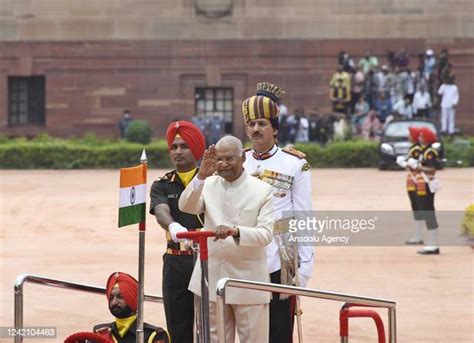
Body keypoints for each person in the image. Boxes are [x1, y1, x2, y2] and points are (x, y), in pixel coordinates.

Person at [178, 135, 274, 343]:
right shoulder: (209, 184)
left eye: (230, 159)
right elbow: (186, 206)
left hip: (249, 282)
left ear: (243, 158)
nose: (223, 165)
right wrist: (201, 176)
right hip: (211, 278)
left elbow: (265, 234)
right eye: (219, 159)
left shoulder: (262, 190)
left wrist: (235, 231)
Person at [241, 82, 314, 343]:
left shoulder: (295, 164)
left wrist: (305, 268)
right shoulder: (237, 162)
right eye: (251, 124)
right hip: (244, 259)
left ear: (275, 128)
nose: (256, 129)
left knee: (280, 333)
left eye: (262, 123)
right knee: (249, 332)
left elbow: (304, 217)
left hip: (280, 261)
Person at [149, 121, 206, 343]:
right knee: (177, 325)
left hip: (204, 260)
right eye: (174, 147)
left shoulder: (210, 180)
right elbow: (160, 209)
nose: (178, 152)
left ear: (196, 150)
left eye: (184, 146)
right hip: (175, 262)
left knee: (208, 325)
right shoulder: (162, 184)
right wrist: (172, 225)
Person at [93, 272, 170, 342]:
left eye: (120, 297)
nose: (114, 302)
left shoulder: (154, 335)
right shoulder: (101, 332)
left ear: (133, 299)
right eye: (111, 297)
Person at [412, 127, 442, 254]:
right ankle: (431, 243)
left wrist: (419, 167)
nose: (419, 137)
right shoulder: (423, 151)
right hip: (421, 184)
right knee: (425, 211)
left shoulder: (430, 152)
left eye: (421, 136)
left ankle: (433, 244)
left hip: (427, 185)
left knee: (429, 212)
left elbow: (433, 169)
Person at [396, 127, 424, 244]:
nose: (408, 136)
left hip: (416, 181)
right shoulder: (413, 148)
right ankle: (418, 235)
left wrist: (406, 163)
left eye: (410, 134)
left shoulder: (416, 149)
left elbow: (416, 165)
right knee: (415, 207)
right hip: (411, 180)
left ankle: (418, 236)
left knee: (417, 207)